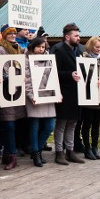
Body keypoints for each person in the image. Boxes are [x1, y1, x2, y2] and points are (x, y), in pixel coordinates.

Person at [0, 27, 26, 169]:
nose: (13, 35)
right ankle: (11, 155)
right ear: (5, 36)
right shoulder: (0, 49)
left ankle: (8, 154)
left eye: (14, 33)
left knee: (15, 124)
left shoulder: (20, 48)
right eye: (10, 34)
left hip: (17, 91)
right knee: (9, 124)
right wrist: (14, 77)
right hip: (6, 91)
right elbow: (1, 68)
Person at [52, 23, 84, 165]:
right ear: (67, 36)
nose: (79, 37)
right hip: (64, 91)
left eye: (78, 35)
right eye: (76, 35)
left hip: (76, 92)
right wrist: (69, 75)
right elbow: (53, 72)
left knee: (72, 123)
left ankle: (70, 150)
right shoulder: (58, 50)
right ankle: (59, 152)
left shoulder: (79, 50)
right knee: (61, 123)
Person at [24, 37, 55, 167]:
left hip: (48, 97)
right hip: (34, 97)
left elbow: (53, 77)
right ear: (33, 47)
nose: (41, 50)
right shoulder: (26, 60)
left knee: (49, 126)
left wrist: (56, 94)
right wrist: (31, 96)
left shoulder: (49, 59)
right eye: (39, 47)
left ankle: (38, 148)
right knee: (35, 127)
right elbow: (27, 80)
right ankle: (36, 153)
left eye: (43, 47)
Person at [80, 36, 100, 160]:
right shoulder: (84, 58)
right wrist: (92, 79)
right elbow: (83, 74)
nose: (98, 49)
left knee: (97, 124)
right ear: (91, 46)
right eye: (96, 47)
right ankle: (87, 148)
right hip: (89, 95)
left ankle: (95, 147)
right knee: (87, 123)